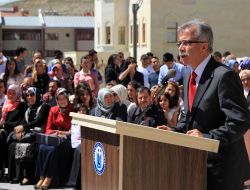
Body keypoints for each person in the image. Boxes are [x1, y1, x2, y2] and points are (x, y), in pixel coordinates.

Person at [159, 19, 250, 190]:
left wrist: (207, 138)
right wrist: (174, 131)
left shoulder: (224, 76)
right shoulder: (187, 75)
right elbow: (189, 116)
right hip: (195, 165)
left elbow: (239, 121)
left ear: (203, 46)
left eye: (186, 43)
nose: (180, 48)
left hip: (223, 170)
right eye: (179, 43)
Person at [7, 87, 50, 185]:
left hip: (39, 134)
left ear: (37, 95)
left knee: (29, 145)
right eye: (27, 95)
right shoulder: (28, 109)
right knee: (12, 145)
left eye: (32, 95)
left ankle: (28, 176)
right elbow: (23, 121)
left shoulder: (44, 106)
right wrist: (20, 131)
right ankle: (17, 175)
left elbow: (39, 121)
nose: (29, 97)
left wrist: (23, 127)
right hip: (29, 134)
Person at [35, 88, 73, 189]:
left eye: (64, 98)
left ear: (68, 98)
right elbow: (48, 128)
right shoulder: (53, 110)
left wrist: (62, 133)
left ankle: (49, 177)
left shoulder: (72, 110)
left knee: (53, 149)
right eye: (60, 99)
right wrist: (54, 134)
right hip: (54, 137)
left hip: (67, 139)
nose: (62, 101)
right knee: (42, 147)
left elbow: (73, 131)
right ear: (57, 100)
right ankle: (42, 176)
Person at [0, 84, 27, 180]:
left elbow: (19, 122)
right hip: (4, 131)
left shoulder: (22, 105)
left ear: (18, 94)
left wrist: (5, 125)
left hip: (13, 131)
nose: (10, 96)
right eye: (9, 93)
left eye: (13, 93)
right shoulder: (6, 105)